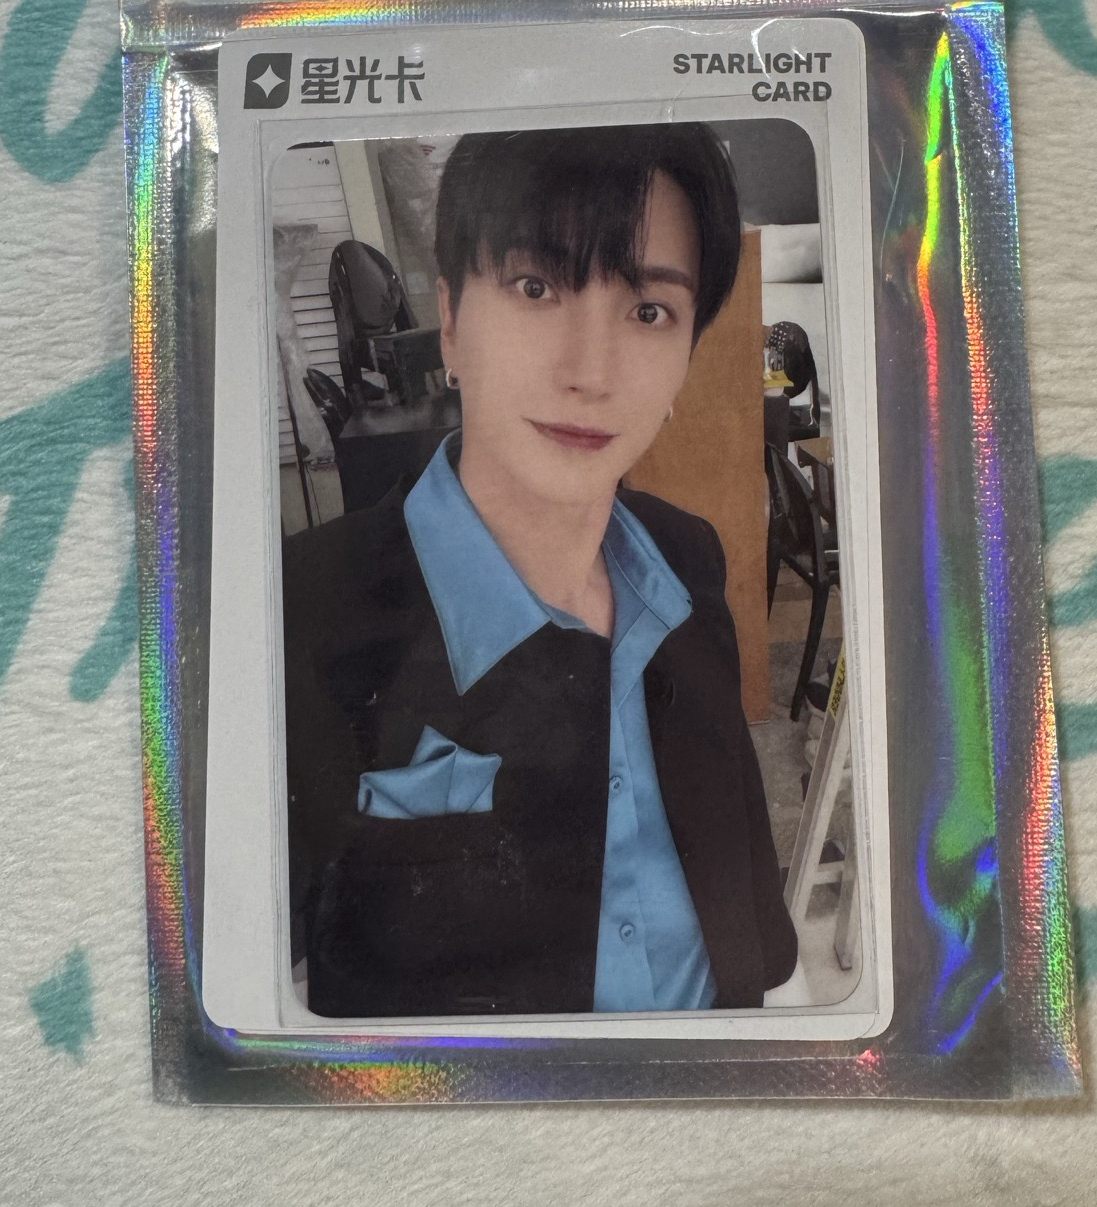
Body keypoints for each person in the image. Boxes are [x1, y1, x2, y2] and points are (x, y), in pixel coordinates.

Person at [283, 122, 800, 1018]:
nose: (589, 373)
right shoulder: (294, 612)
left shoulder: (686, 558)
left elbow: (741, 880)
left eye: (649, 311)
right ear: (450, 322)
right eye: (536, 286)